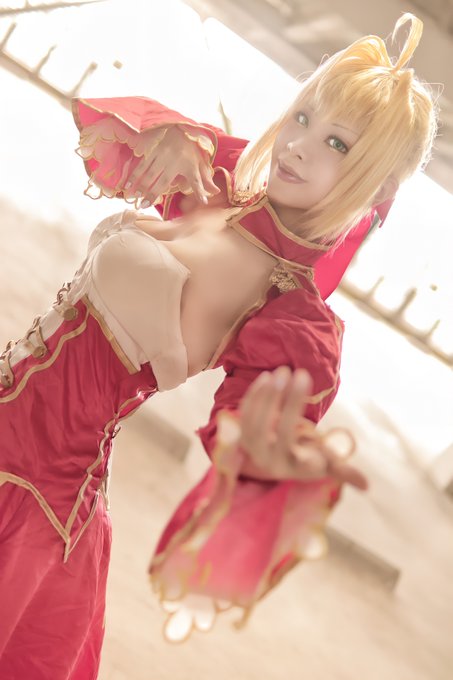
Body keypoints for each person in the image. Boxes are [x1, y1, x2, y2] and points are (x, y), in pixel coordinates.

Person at [0, 11, 436, 677]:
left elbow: (251, 449)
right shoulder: (219, 190)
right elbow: (111, 124)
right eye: (302, 118)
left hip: (33, 497)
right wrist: (179, 140)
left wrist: (271, 456)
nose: (298, 147)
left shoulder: (289, 313)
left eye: (337, 144)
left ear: (376, 188)